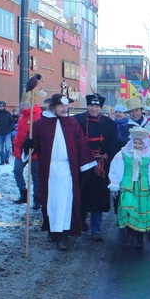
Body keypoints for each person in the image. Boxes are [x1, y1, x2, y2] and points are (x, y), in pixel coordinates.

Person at [22, 94, 96, 251]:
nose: (64, 109)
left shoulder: (72, 123)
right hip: (48, 171)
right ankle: (52, 230)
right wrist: (28, 145)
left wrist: (86, 166)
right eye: (61, 106)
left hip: (68, 170)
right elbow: (32, 145)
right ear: (53, 108)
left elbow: (81, 145)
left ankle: (63, 234)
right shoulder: (41, 124)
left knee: (65, 201)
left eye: (66, 106)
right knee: (50, 201)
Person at [109, 127, 150, 248]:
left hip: (143, 188)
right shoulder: (124, 153)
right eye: (135, 142)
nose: (137, 145)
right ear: (131, 142)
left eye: (140, 143)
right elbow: (116, 168)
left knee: (141, 212)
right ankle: (130, 234)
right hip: (127, 186)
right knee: (127, 208)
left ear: (144, 143)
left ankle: (139, 238)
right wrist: (115, 184)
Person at [74, 94, 120, 241]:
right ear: (87, 106)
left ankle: (96, 229)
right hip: (82, 164)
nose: (94, 108)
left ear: (101, 108)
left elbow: (114, 145)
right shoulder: (77, 120)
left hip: (100, 166)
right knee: (81, 195)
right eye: (92, 106)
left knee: (97, 199)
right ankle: (81, 222)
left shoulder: (109, 124)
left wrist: (109, 161)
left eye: (97, 106)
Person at [12, 101, 42, 208]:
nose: (20, 107)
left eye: (23, 105)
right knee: (17, 170)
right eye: (20, 105)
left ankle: (37, 198)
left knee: (35, 175)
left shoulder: (36, 115)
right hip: (20, 149)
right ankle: (23, 193)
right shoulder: (21, 116)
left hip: (33, 150)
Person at [0, 100, 15, 165]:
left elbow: (12, 122)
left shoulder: (7, 113)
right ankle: (2, 160)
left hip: (7, 133)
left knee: (7, 148)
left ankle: (6, 159)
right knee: (0, 148)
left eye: (2, 106)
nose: (1, 108)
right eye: (0, 106)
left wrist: (10, 129)